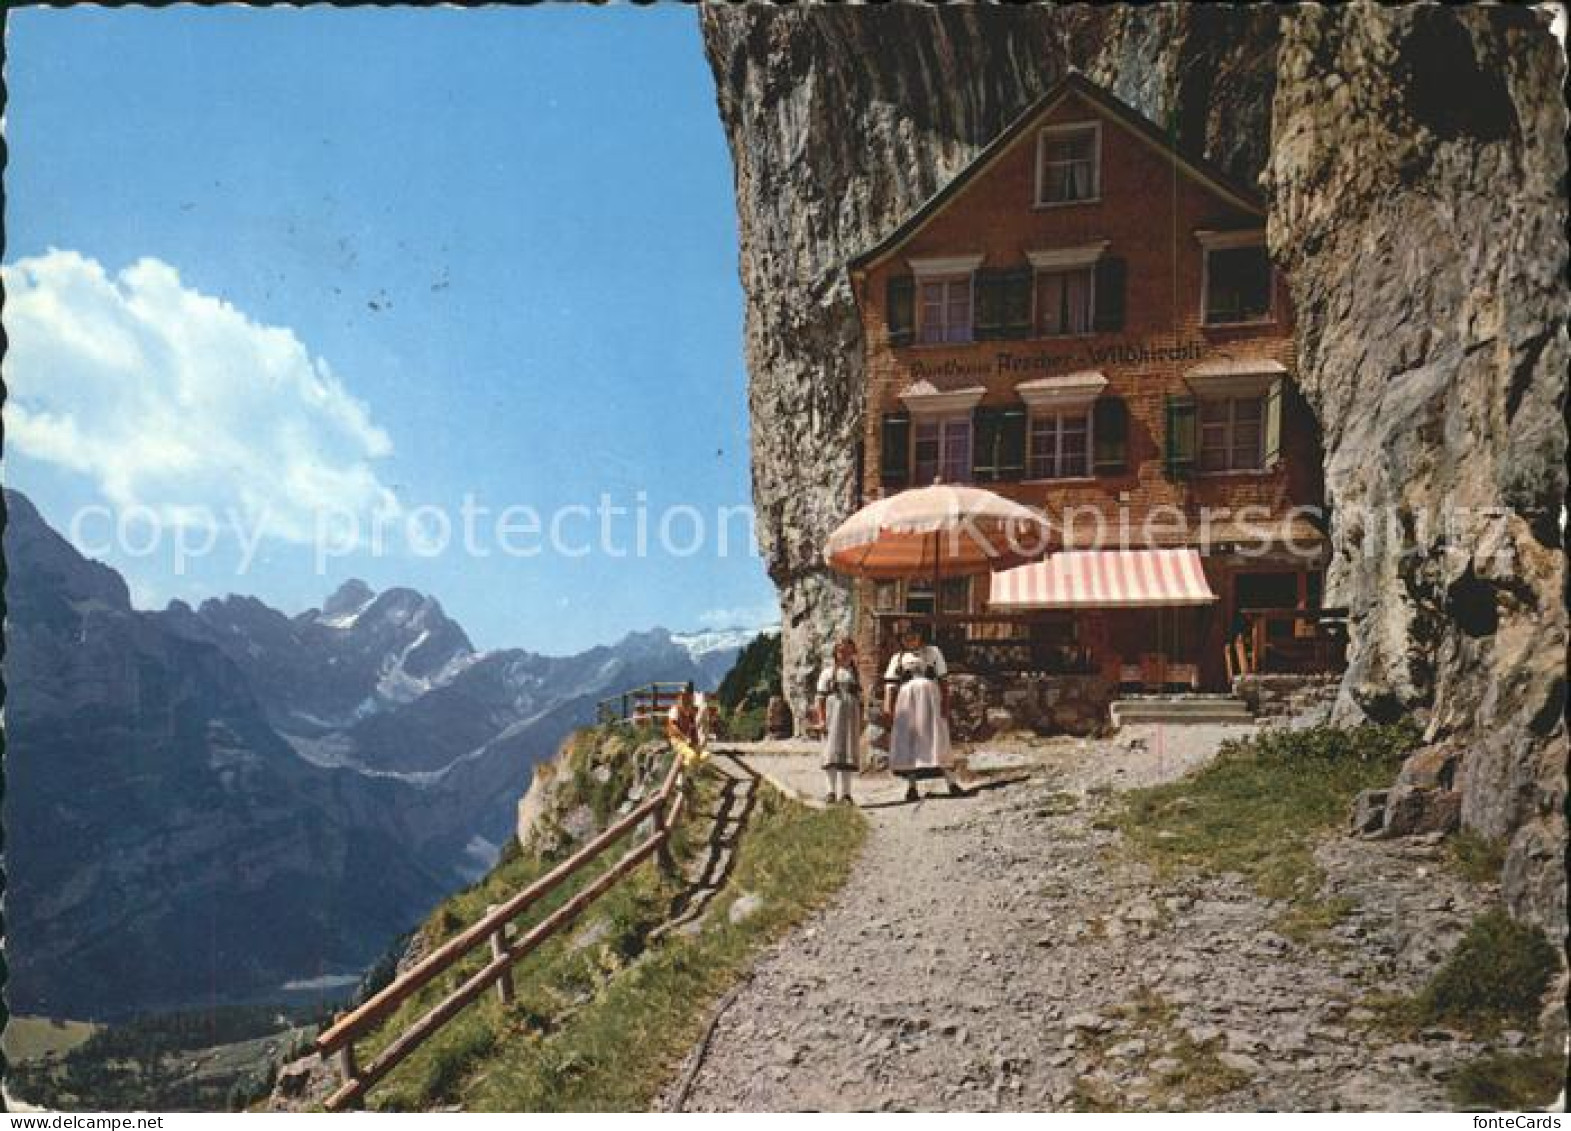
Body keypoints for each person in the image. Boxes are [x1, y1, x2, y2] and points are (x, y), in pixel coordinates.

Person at [883, 622, 964, 803]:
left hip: (930, 701)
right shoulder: (897, 658)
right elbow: (890, 685)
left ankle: (952, 783)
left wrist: (946, 704)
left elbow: (943, 681)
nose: (910, 639)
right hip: (907, 702)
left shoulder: (933, 652)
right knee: (910, 740)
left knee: (938, 737)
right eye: (905, 636)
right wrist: (888, 707)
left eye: (913, 635)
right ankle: (911, 787)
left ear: (921, 636)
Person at [814, 637, 863, 805]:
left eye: (849, 651)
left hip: (851, 716)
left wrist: (861, 719)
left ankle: (846, 794)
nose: (845, 654)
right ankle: (830, 792)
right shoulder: (827, 673)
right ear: (835, 653)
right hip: (832, 715)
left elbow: (861, 697)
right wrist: (821, 720)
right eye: (841, 651)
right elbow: (820, 698)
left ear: (853, 652)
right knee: (830, 751)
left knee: (848, 752)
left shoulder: (856, 674)